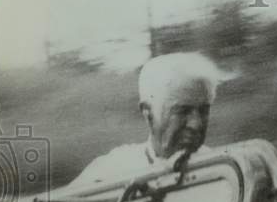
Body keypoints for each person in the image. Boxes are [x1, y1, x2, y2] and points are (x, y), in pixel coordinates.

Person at [70, 52, 224, 185]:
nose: (196, 124)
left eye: (204, 110)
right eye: (182, 111)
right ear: (148, 114)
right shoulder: (110, 171)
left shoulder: (223, 170)